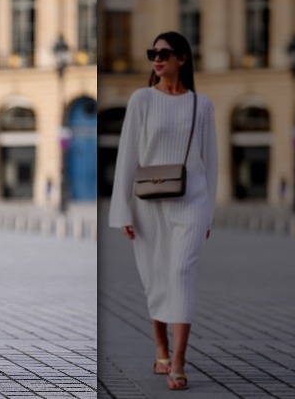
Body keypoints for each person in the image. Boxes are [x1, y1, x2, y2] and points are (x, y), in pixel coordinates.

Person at [109, 31, 217, 391]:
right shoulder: (141, 99)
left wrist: (209, 215)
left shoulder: (202, 105)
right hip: (146, 205)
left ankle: (179, 362)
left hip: (192, 201)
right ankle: (161, 347)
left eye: (164, 53)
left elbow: (211, 163)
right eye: (152, 52)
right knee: (156, 278)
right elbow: (127, 156)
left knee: (180, 273)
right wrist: (122, 210)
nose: (156, 58)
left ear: (183, 59)